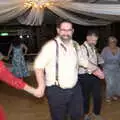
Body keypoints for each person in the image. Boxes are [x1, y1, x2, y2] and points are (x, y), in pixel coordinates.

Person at [34, 20, 85, 120]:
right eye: (63, 30)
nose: (66, 33)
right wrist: (41, 86)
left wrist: (95, 69)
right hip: (56, 90)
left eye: (69, 30)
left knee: (78, 115)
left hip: (75, 88)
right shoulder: (50, 46)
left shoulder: (75, 44)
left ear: (72, 31)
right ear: (58, 30)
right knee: (59, 117)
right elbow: (38, 66)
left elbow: (83, 61)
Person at [0, 52, 41, 120]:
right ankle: (21, 76)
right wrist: (33, 91)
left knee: (18, 69)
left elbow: (10, 79)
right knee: (19, 69)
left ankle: (20, 76)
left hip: (16, 58)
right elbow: (11, 79)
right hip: (18, 58)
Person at [78, 30, 104, 120]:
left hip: (94, 75)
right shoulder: (81, 48)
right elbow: (84, 62)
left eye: (96, 41)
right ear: (87, 38)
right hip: (84, 76)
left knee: (98, 96)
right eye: (93, 40)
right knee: (85, 96)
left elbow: (97, 60)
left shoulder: (93, 48)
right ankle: (85, 114)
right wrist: (96, 70)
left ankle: (96, 113)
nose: (94, 42)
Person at [101, 36, 120, 102]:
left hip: (117, 68)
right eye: (110, 42)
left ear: (116, 42)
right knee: (110, 83)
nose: (112, 43)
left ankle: (114, 95)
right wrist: (103, 68)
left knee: (116, 83)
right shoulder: (105, 49)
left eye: (114, 42)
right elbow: (101, 60)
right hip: (107, 68)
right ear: (108, 43)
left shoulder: (119, 49)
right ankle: (108, 96)